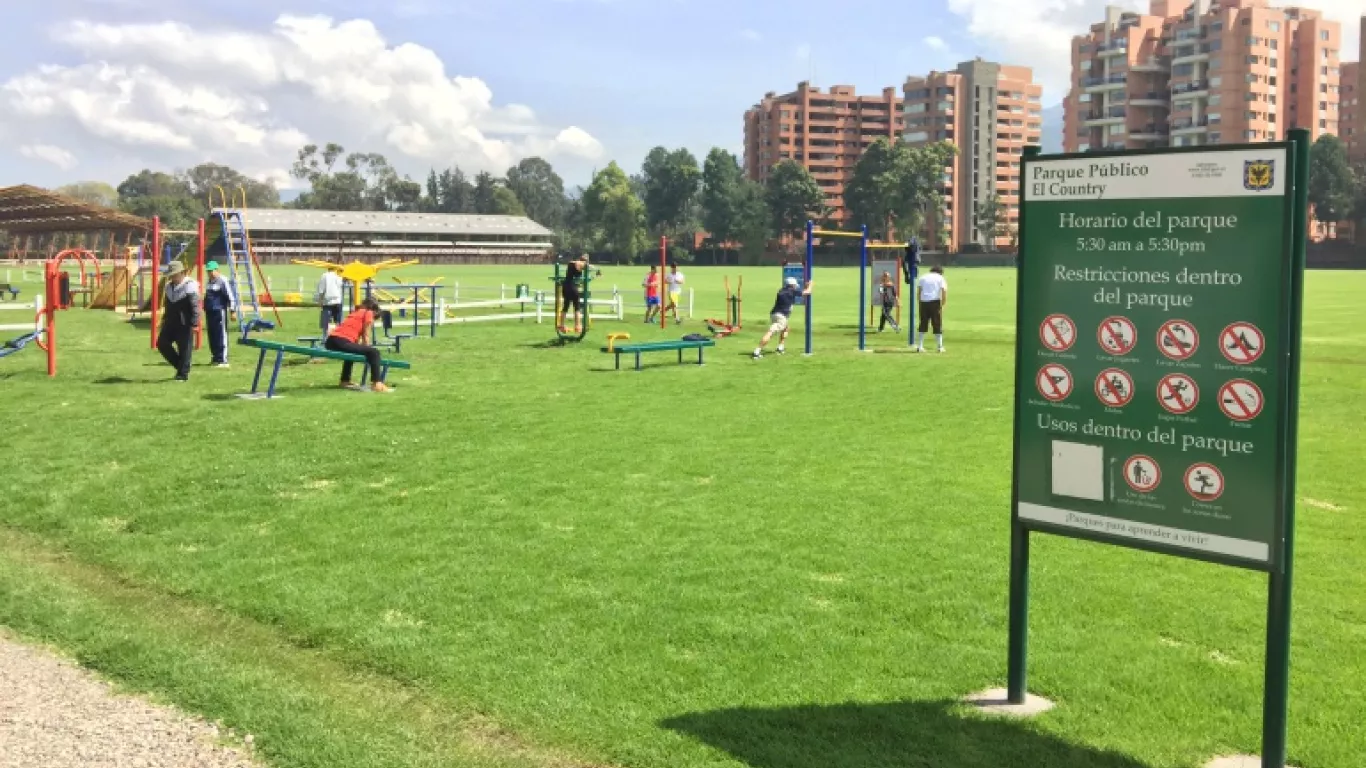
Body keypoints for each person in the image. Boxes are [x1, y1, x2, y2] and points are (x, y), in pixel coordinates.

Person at [325, 297, 391, 392]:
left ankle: (345, 380)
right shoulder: (368, 313)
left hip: (331, 341)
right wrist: (369, 351)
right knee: (374, 352)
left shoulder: (356, 312)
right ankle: (377, 383)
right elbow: (366, 336)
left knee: (352, 353)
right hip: (341, 340)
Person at [156, 261, 200, 381]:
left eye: (174, 275)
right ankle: (181, 366)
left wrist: (195, 323)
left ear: (181, 273)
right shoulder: (168, 287)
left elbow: (195, 306)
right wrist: (163, 319)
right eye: (171, 275)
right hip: (170, 321)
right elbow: (167, 304)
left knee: (185, 349)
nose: (172, 277)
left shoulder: (190, 285)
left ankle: (182, 375)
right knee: (161, 343)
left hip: (185, 322)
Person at [753, 276, 813, 359]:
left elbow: (802, 292)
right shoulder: (791, 291)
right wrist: (810, 285)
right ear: (792, 285)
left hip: (774, 314)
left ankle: (780, 347)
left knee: (786, 328)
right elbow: (808, 292)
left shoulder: (782, 290)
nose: (795, 286)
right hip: (781, 316)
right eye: (795, 285)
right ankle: (757, 351)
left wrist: (805, 288)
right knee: (770, 332)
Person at [202, 260, 236, 368]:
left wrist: (232, 311)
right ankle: (215, 357)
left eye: (212, 271)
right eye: (208, 271)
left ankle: (223, 359)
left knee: (221, 334)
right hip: (209, 312)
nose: (210, 273)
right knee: (212, 335)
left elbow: (230, 296)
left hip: (219, 310)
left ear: (217, 270)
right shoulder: (209, 282)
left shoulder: (223, 280)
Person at [915, 265, 947, 353]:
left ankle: (920, 346)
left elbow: (919, 292)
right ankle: (940, 347)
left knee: (923, 323)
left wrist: (920, 303)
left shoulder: (923, 277)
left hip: (924, 302)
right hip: (935, 302)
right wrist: (943, 305)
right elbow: (944, 292)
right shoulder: (940, 278)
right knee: (937, 324)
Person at [559, 253, 590, 334]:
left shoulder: (571, 263)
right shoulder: (583, 264)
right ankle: (577, 326)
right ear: (586, 260)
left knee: (565, 306)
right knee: (577, 307)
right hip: (573, 287)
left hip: (565, 286)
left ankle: (561, 325)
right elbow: (587, 267)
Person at [315, 262, 344, 333]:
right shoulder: (338, 276)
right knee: (338, 322)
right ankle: (338, 335)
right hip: (338, 301)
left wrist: (319, 301)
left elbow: (321, 290)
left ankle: (325, 337)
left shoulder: (324, 276)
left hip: (327, 302)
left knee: (326, 322)